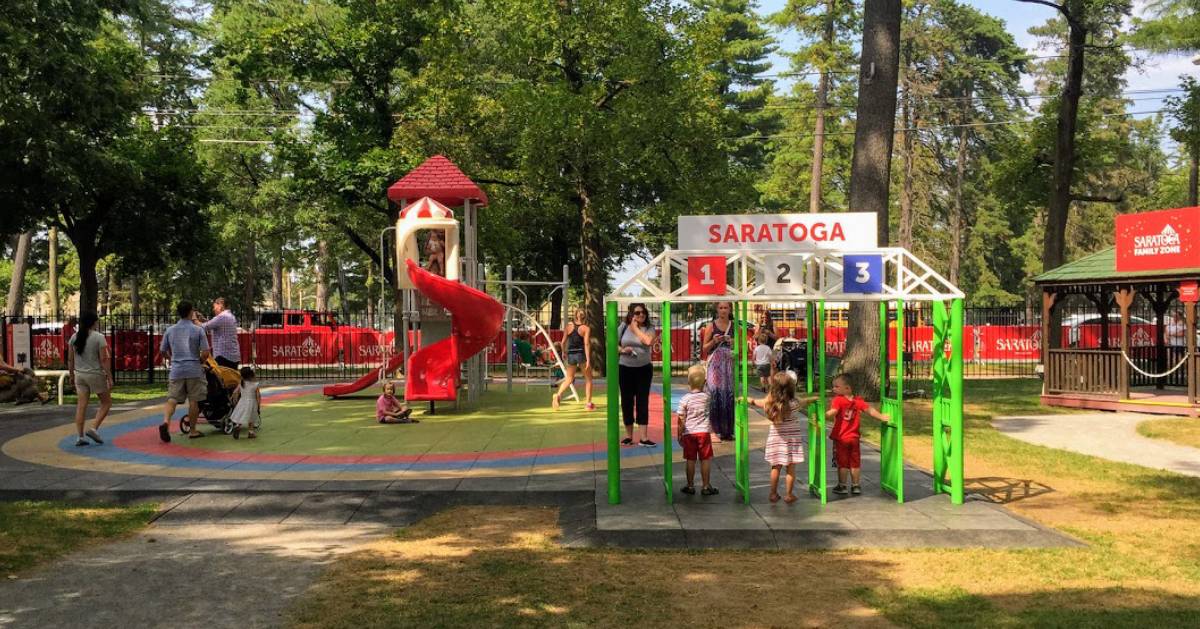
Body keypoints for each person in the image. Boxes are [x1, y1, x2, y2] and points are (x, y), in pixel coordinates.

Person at [749, 372, 815, 504]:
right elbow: (805, 401)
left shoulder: (770, 404)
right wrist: (813, 399)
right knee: (790, 469)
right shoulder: (794, 404)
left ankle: (773, 494)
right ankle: (789, 495)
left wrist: (746, 399)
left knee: (775, 468)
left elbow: (754, 401)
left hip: (776, 441)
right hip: (792, 442)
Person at [826, 374, 890, 496]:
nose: (833, 389)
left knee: (842, 463)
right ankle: (856, 485)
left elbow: (833, 412)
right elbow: (870, 410)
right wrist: (881, 417)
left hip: (841, 438)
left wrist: (823, 415)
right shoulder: (858, 401)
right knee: (855, 462)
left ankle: (842, 485)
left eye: (836, 386)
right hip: (854, 438)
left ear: (847, 388)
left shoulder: (838, 400)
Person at [160, 301, 210, 442]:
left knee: (172, 398)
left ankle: (166, 422)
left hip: (177, 369)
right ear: (190, 312)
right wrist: (199, 361)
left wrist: (171, 359)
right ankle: (193, 430)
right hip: (193, 368)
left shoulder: (170, 330)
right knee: (194, 400)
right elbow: (206, 352)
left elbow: (162, 350)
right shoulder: (198, 330)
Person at [67, 313, 112, 446]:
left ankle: (80, 437)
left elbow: (70, 359)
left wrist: (71, 375)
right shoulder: (99, 338)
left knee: (81, 406)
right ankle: (93, 428)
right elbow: (104, 359)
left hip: (79, 375)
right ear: (93, 323)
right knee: (106, 402)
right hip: (95, 374)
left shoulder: (74, 337)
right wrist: (109, 377)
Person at [674, 364, 717, 496]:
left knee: (690, 459)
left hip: (689, 433)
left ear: (688, 382)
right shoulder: (707, 398)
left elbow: (681, 418)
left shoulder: (685, 399)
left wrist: (679, 434)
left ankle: (690, 485)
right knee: (705, 459)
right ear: (704, 382)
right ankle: (705, 486)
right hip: (704, 433)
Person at [618, 303, 657, 446]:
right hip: (625, 368)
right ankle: (629, 436)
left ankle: (644, 438)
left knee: (642, 401)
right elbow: (612, 343)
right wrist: (622, 350)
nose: (641, 315)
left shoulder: (649, 328)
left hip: (644, 369)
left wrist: (635, 328)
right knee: (627, 401)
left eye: (643, 312)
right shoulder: (622, 327)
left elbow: (648, 341)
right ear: (631, 314)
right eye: (637, 313)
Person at [701, 302, 736, 441]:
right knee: (714, 393)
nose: (723, 311)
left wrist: (734, 343)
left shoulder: (734, 326)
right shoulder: (711, 326)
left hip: (728, 364)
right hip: (715, 365)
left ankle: (727, 431)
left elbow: (741, 347)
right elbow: (704, 348)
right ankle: (713, 430)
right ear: (717, 309)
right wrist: (714, 341)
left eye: (725, 308)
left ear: (730, 309)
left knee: (728, 395)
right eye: (720, 308)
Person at [553, 308, 595, 411]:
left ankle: (558, 395)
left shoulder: (568, 326)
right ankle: (588, 404)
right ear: (584, 316)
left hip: (571, 355)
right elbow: (586, 344)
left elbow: (562, 342)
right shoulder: (585, 328)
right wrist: (588, 359)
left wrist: (563, 352)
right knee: (588, 379)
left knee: (569, 378)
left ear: (575, 315)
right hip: (581, 354)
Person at [201, 297, 241, 369]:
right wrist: (204, 320)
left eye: (214, 307)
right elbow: (215, 325)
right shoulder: (230, 316)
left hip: (223, 356)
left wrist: (194, 319)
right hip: (233, 356)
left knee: (220, 378)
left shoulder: (222, 317)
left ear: (220, 305)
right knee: (231, 378)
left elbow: (203, 327)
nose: (213, 309)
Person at [230, 367, 261, 439]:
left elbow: (235, 392)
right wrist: (258, 404)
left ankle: (238, 426)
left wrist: (234, 399)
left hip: (242, 401)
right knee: (251, 418)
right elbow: (258, 395)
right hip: (252, 403)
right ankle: (251, 432)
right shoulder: (255, 384)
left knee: (241, 415)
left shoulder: (241, 383)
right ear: (251, 375)